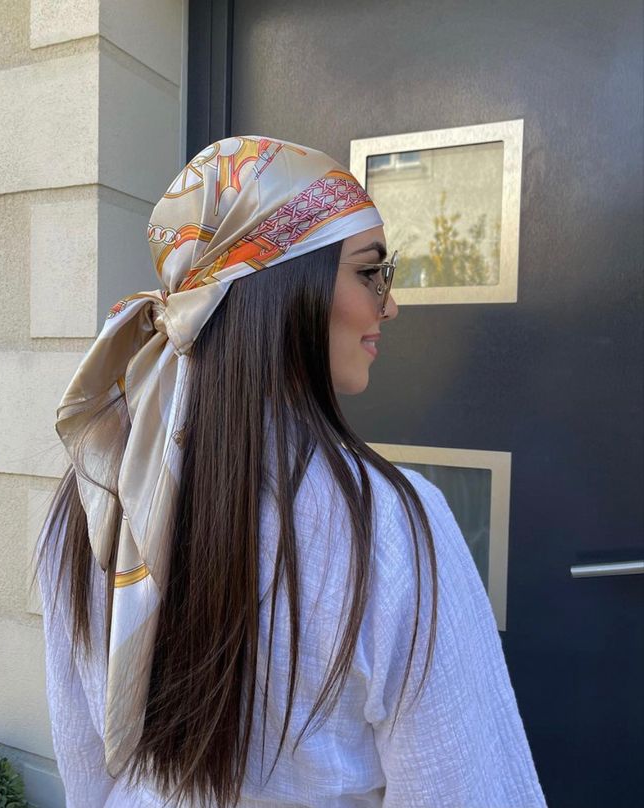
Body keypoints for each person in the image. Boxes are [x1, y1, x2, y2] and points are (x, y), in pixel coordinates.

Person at [34, 135, 547, 808]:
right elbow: (468, 788)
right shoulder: (388, 525)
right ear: (286, 289)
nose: (388, 305)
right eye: (370, 272)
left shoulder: (91, 493)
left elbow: (86, 765)